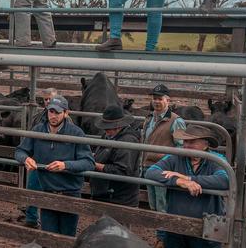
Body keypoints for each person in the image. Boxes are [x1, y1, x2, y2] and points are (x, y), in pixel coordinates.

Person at [14, 96, 95, 236]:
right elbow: (20, 150)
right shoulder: (38, 130)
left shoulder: (76, 133)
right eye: (51, 111)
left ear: (66, 113)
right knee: (48, 235)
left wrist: (65, 165)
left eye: (57, 112)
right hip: (47, 191)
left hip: (69, 192)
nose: (53, 116)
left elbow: (88, 162)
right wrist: (25, 158)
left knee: (67, 236)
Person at [145, 124, 229, 248]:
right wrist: (180, 181)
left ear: (205, 145)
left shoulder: (217, 159)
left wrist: (188, 178)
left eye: (192, 142)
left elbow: (224, 180)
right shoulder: (175, 157)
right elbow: (151, 172)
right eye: (185, 141)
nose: (186, 146)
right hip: (175, 224)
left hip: (206, 226)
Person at [141, 83, 186, 246]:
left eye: (160, 98)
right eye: (154, 98)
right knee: (154, 205)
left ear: (168, 100)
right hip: (148, 167)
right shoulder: (149, 118)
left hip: (164, 169)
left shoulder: (176, 121)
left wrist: (164, 155)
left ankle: (164, 240)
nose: (157, 101)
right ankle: (161, 237)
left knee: (162, 205)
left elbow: (182, 148)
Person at [90, 105, 141, 207]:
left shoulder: (128, 141)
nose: (105, 130)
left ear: (118, 126)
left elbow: (123, 171)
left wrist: (96, 165)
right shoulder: (109, 135)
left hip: (119, 196)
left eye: (108, 127)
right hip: (107, 193)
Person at [23, 86, 58, 228]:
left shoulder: (66, 120)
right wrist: (29, 156)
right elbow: (30, 138)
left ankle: (49, 222)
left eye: (51, 99)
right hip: (37, 159)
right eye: (45, 99)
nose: (48, 102)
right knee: (32, 188)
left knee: (51, 191)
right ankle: (31, 219)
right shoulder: (38, 118)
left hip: (55, 161)